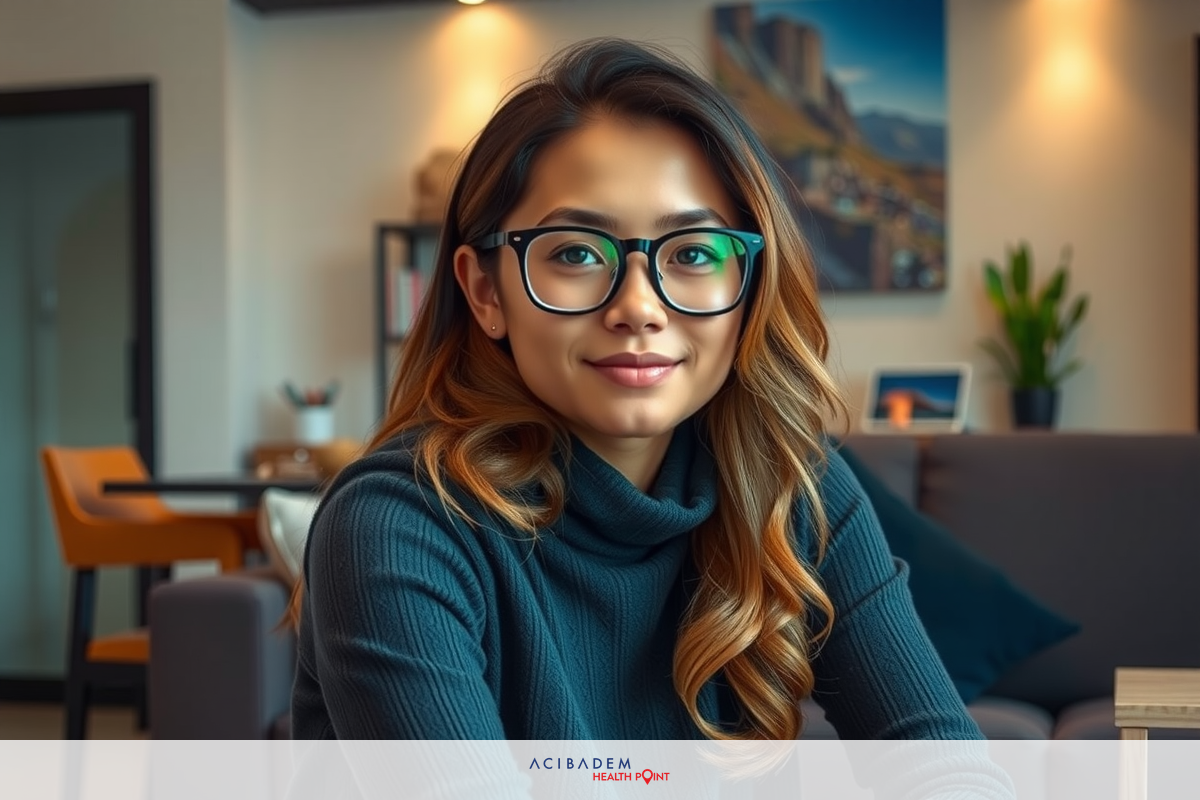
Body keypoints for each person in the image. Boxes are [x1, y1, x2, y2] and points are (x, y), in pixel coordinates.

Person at [292, 37, 996, 753]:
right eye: (575, 252)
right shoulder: (398, 526)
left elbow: (943, 764)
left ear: (747, 286)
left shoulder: (795, 487)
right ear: (485, 291)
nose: (639, 307)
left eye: (692, 253)